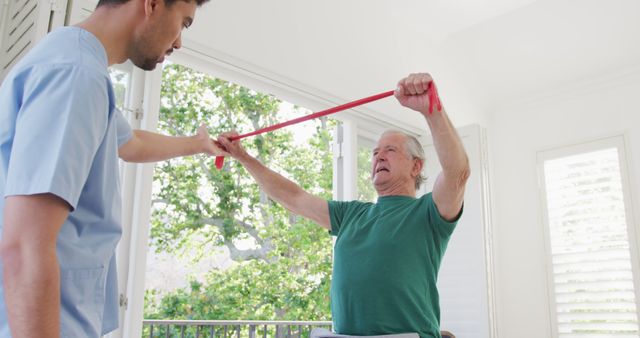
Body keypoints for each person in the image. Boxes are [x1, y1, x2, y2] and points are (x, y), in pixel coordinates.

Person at [0, 0, 217, 335]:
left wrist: (199, 144)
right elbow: (25, 246)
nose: (178, 43)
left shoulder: (75, 64)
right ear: (153, 4)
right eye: (184, 23)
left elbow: (131, 144)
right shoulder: (76, 75)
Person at [217, 73, 470, 338]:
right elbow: (293, 197)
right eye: (374, 152)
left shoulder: (427, 213)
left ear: (416, 166)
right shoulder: (351, 214)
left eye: (390, 150)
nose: (378, 156)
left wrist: (433, 112)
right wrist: (243, 157)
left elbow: (458, 173)